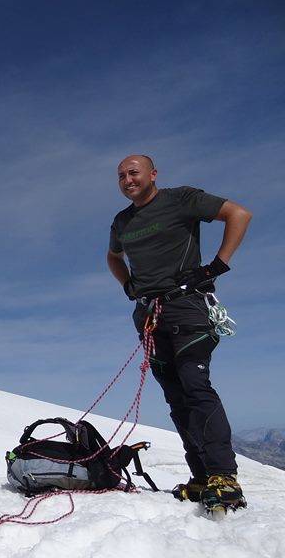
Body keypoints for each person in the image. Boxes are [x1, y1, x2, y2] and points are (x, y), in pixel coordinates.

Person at [106, 155, 252, 510]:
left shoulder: (181, 199)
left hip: (186, 306)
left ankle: (224, 477)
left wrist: (217, 266)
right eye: (122, 176)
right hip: (149, 315)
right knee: (175, 396)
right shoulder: (122, 221)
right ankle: (202, 477)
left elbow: (239, 214)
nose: (128, 180)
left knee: (195, 385)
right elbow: (113, 257)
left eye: (134, 173)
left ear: (152, 174)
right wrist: (129, 286)